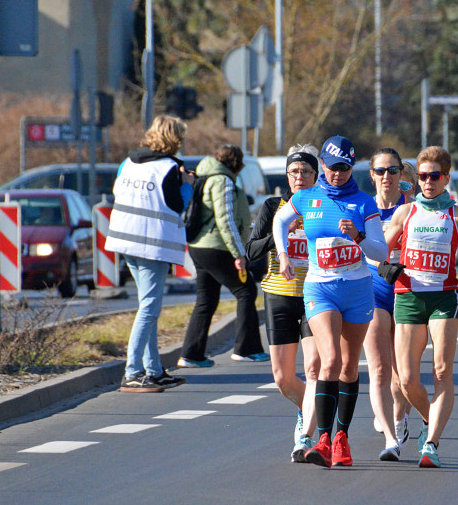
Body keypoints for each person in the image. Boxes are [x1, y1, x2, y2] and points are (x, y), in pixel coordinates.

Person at [273, 135, 388, 468]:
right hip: (320, 288)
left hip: (357, 289)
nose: (337, 173)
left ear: (352, 167)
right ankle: (322, 439)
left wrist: (358, 236)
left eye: (344, 168)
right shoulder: (307, 197)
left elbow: (381, 253)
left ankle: (342, 437)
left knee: (350, 366)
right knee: (330, 359)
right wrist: (283, 255)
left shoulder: (365, 203)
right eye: (332, 167)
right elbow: (280, 221)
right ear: (321, 164)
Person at [382, 146, 458, 468]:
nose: (427, 182)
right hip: (408, 296)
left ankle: (431, 443)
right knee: (407, 380)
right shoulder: (405, 213)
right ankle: (430, 418)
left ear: (446, 178)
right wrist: (388, 267)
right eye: (423, 176)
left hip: (443, 297)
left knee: (441, 370)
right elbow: (379, 251)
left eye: (434, 176)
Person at [106, 115, 193, 392]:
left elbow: (116, 192)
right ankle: (132, 372)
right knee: (149, 308)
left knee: (148, 308)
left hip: (125, 240)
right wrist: (188, 184)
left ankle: (153, 370)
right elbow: (177, 205)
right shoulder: (168, 168)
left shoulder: (127, 162)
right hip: (152, 244)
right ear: (174, 139)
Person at [247, 145, 323, 462]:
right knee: (283, 378)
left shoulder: (323, 206)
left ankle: (305, 435)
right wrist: (281, 234)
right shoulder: (273, 207)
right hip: (278, 294)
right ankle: (313, 407)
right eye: (294, 172)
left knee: (315, 368)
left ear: (316, 176)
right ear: (287, 176)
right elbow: (252, 251)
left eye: (306, 172)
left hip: (317, 294)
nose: (300, 177)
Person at [178, 144, 268, 371]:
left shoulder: (205, 176)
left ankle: (191, 354)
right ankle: (246, 349)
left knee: (206, 300)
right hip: (216, 247)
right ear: (236, 164)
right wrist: (239, 254)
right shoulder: (223, 181)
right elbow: (225, 220)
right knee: (246, 290)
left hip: (199, 245)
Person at [364, 147, 411, 460]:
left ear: (401, 175)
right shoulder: (362, 207)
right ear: (372, 175)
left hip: (409, 292)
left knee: (403, 374)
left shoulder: (414, 208)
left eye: (392, 171)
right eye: (380, 171)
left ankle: (398, 416)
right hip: (372, 291)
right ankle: (391, 441)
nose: (386, 177)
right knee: (379, 368)